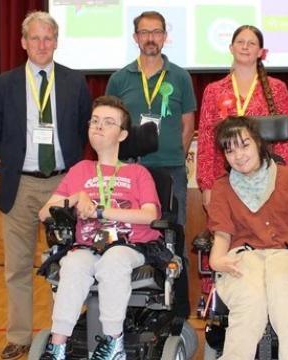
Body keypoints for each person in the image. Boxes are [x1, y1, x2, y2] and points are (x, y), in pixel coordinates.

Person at [0, 11, 91, 360]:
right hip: (19, 185)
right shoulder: (3, 83)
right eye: (35, 38)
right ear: (23, 43)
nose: (42, 44)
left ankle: (65, 335)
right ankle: (18, 336)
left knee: (67, 264)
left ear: (56, 42)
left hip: (63, 183)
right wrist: (22, 160)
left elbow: (81, 132)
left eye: (48, 38)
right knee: (17, 267)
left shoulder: (76, 83)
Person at [38, 95, 162, 360]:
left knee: (113, 260)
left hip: (130, 245)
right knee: (72, 263)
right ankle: (58, 345)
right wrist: (76, 197)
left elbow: (150, 215)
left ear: (122, 134)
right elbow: (43, 213)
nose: (98, 127)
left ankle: (113, 342)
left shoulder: (138, 174)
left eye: (108, 122)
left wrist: (101, 210)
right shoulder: (80, 170)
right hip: (88, 245)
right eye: (94, 121)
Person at [207, 116, 288, 360]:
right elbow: (222, 234)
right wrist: (216, 260)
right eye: (230, 150)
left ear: (259, 143)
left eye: (244, 145)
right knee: (250, 298)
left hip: (286, 255)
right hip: (244, 256)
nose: (238, 155)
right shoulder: (222, 188)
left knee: (282, 290)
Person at [105, 10, 195, 318]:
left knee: (174, 237)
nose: (151, 38)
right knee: (129, 237)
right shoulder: (120, 78)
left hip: (171, 171)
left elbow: (187, 125)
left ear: (165, 36)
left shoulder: (180, 76)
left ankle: (177, 313)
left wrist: (175, 158)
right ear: (135, 38)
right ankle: (132, 310)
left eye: (156, 32)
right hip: (130, 171)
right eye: (144, 32)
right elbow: (111, 125)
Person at [197, 25, 288, 208]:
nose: (245, 47)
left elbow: (286, 143)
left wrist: (284, 180)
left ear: (260, 52)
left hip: (267, 179)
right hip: (224, 178)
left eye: (251, 43)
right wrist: (207, 186)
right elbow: (205, 140)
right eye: (240, 42)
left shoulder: (277, 88)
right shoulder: (213, 91)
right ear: (231, 48)